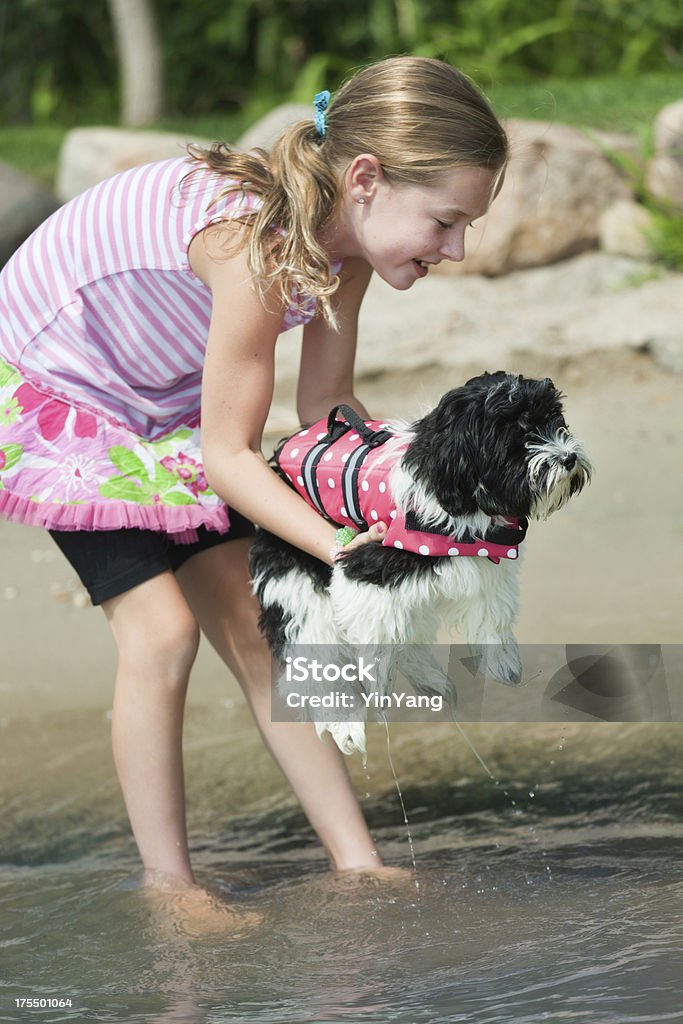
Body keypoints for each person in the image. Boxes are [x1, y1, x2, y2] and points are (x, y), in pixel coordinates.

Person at [0, 57, 508, 893]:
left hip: (162, 401)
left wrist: (416, 504)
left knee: (261, 625)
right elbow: (229, 457)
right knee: (161, 632)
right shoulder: (251, 248)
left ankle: (359, 863)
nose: (453, 249)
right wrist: (346, 553)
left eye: (465, 229)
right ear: (367, 179)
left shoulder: (343, 247)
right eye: (445, 221)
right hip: (58, 389)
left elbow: (327, 403)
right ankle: (170, 891)